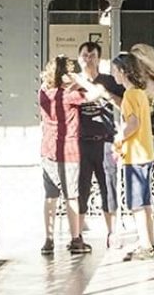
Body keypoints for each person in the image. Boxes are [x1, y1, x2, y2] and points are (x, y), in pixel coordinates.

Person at [112, 50, 154, 262]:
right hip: (146, 152)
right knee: (146, 203)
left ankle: (146, 247)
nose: (114, 76)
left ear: (123, 72)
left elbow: (133, 124)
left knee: (137, 204)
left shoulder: (130, 96)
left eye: (115, 71)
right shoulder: (141, 93)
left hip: (135, 154)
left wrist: (119, 139)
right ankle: (148, 243)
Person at [70, 41, 123, 252]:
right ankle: (78, 235)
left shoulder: (108, 81)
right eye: (84, 55)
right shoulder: (73, 82)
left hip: (105, 141)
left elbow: (123, 102)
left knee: (108, 187)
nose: (87, 58)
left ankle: (112, 233)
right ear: (78, 58)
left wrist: (107, 95)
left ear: (98, 59)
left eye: (92, 55)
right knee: (81, 189)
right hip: (81, 142)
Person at [38, 56, 84, 256]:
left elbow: (44, 85)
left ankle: (49, 240)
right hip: (69, 150)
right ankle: (75, 238)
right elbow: (93, 95)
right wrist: (79, 80)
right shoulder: (70, 96)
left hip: (48, 149)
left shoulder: (44, 93)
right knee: (71, 196)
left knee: (50, 196)